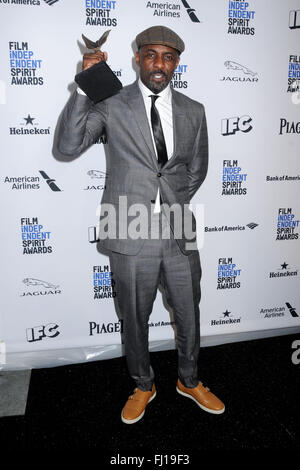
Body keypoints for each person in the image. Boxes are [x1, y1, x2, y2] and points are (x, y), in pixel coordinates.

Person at [57, 25, 225, 424]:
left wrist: (172, 201)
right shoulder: (112, 102)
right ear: (137, 58)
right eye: (151, 55)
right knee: (134, 315)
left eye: (168, 57)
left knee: (189, 312)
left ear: (176, 63)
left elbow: (196, 170)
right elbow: (66, 146)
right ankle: (143, 385)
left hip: (178, 227)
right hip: (128, 226)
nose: (159, 64)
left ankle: (189, 378)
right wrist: (85, 85)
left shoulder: (194, 110)